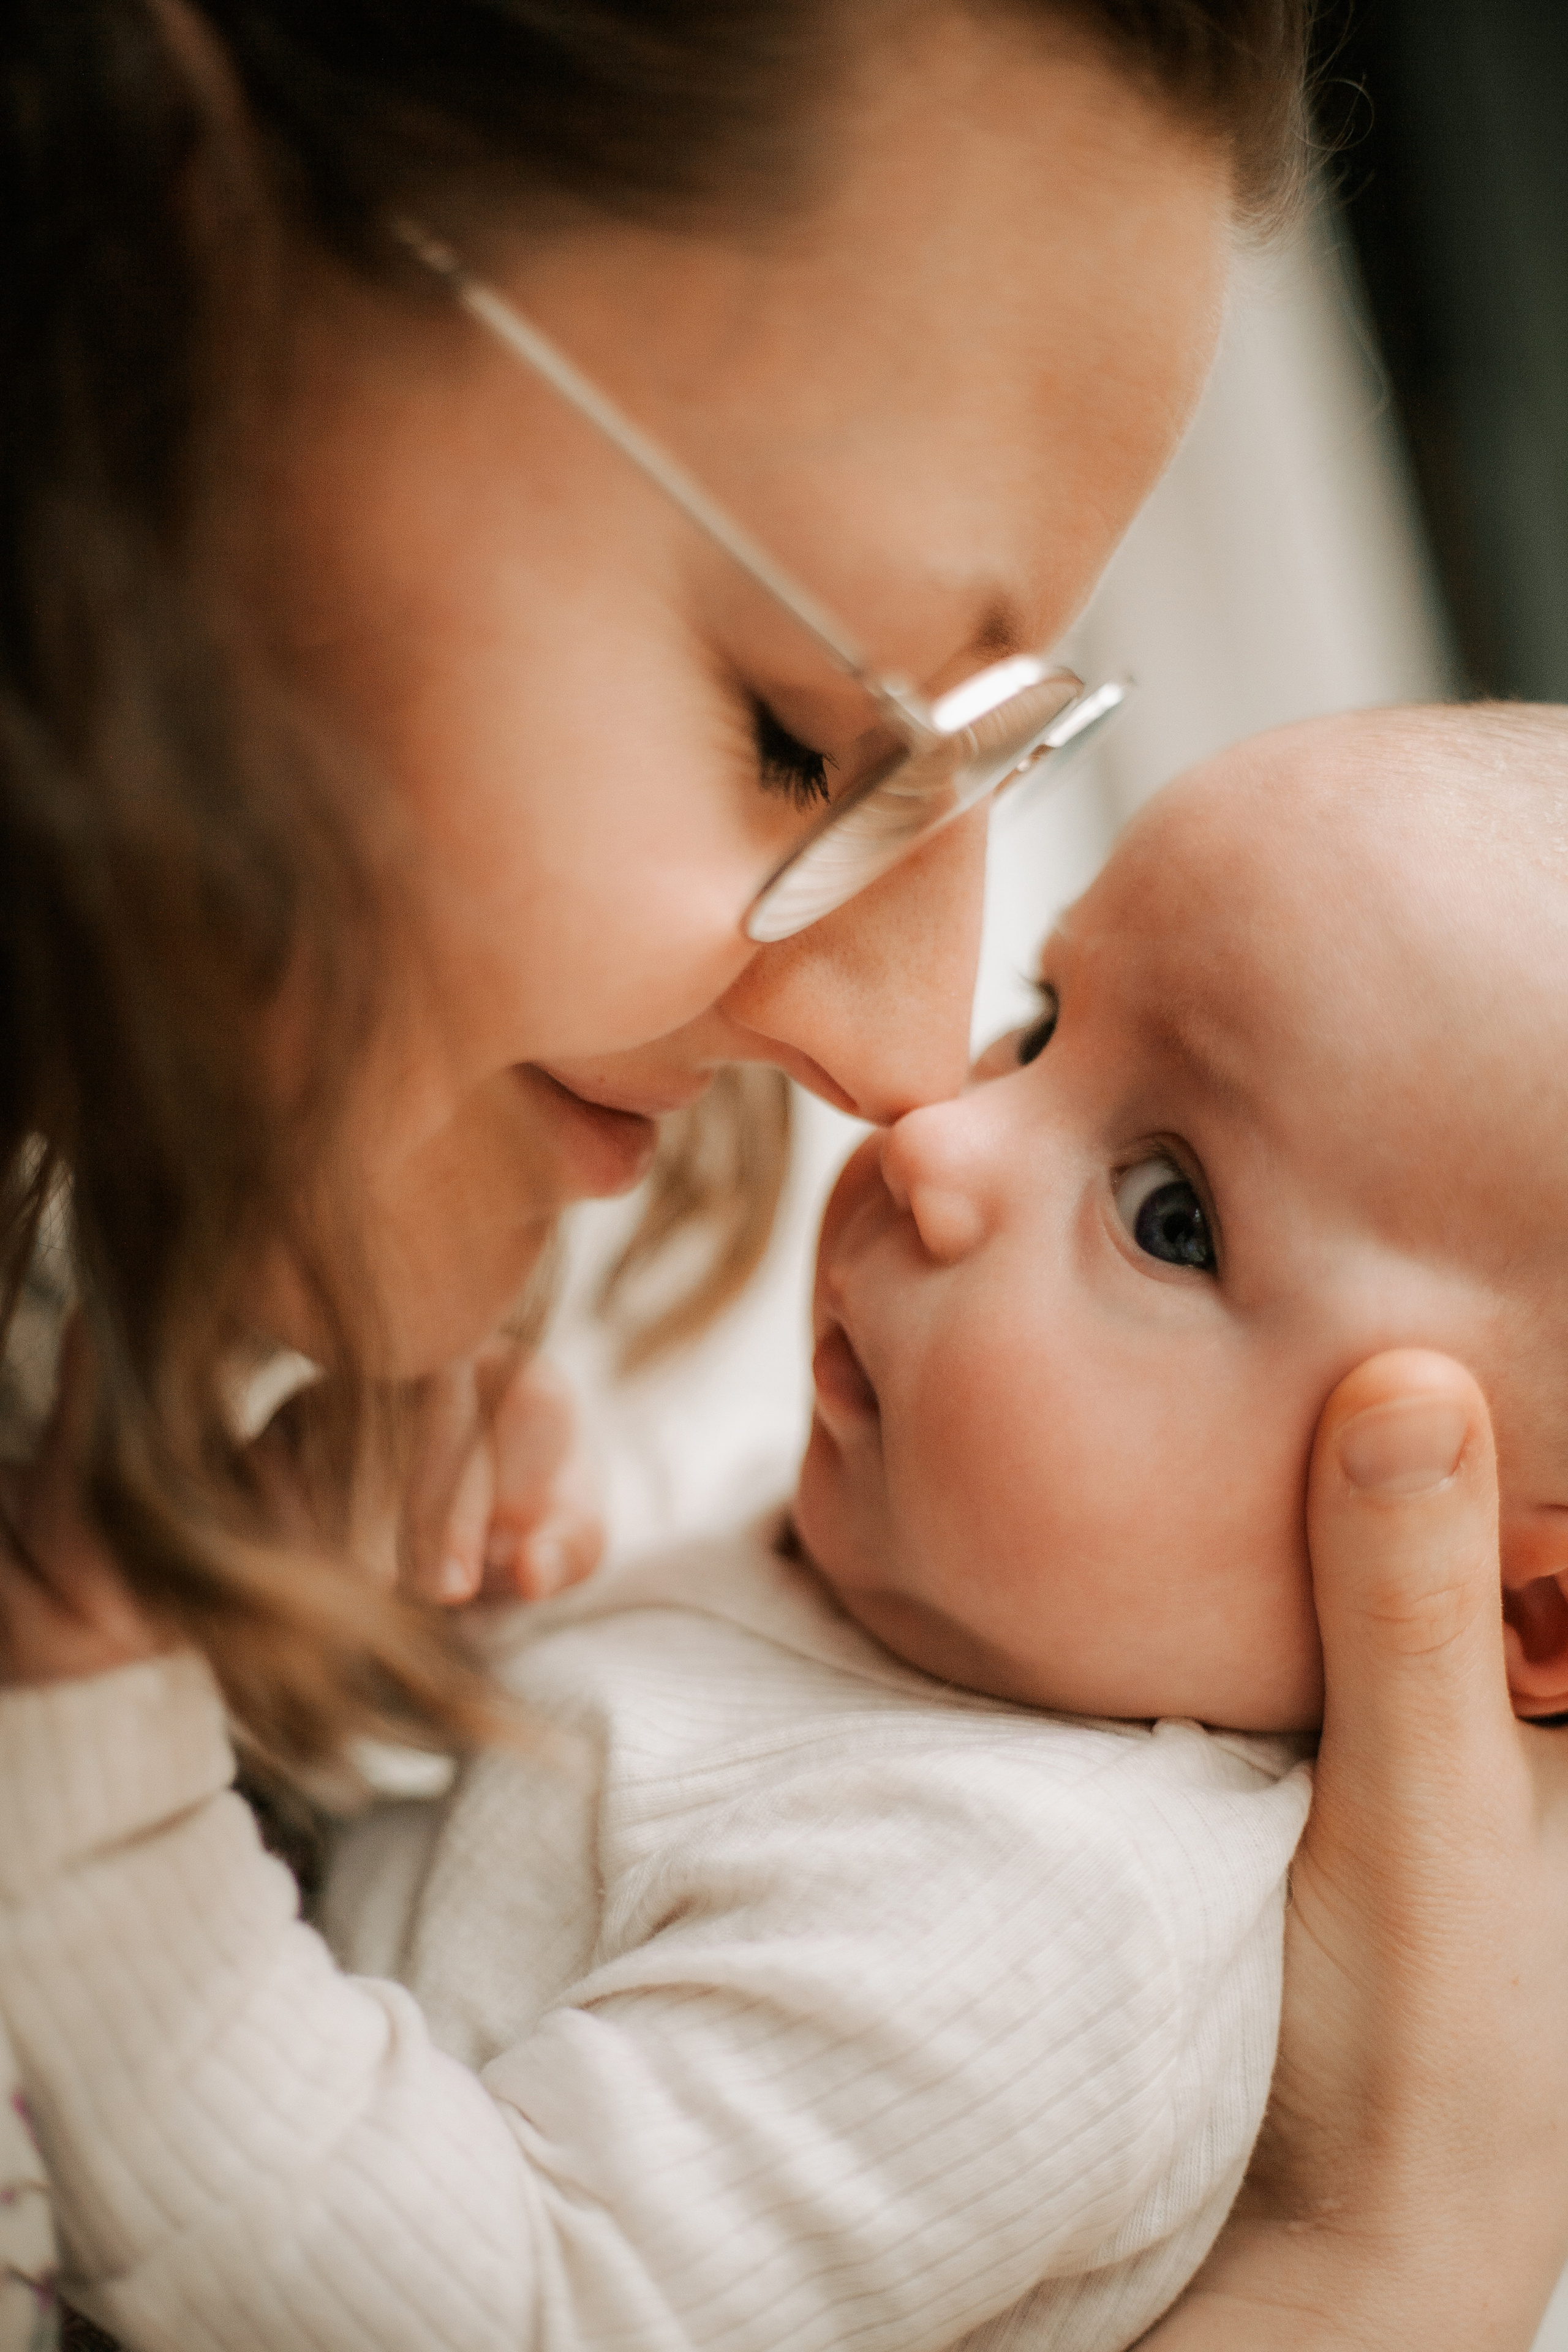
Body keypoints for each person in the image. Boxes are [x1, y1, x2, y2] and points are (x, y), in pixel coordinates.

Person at [5, 6, 1568, 2348]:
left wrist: (145, 1695)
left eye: (1172, 1217)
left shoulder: (1042, 1931)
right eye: (799, 733)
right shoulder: (854, 1590)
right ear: (143, 277)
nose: (913, 1080)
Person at [10, 699, 1565, 2351]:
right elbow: (470, 1915)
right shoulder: (923, 1598)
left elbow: (505, 2308)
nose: (933, 1135)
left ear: (1517, 1609)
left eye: (1169, 1216)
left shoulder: (1046, 1924)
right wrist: (345, 1598)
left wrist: (102, 1745)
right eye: (1040, 1031)